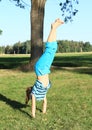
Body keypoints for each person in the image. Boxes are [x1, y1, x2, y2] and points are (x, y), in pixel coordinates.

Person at [25, 18, 64, 118]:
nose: (39, 99)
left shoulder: (34, 93)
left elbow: (33, 105)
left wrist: (33, 116)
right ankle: (55, 28)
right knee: (53, 49)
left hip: (40, 68)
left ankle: (53, 27)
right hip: (44, 69)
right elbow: (45, 103)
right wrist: (43, 112)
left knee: (49, 50)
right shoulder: (43, 93)